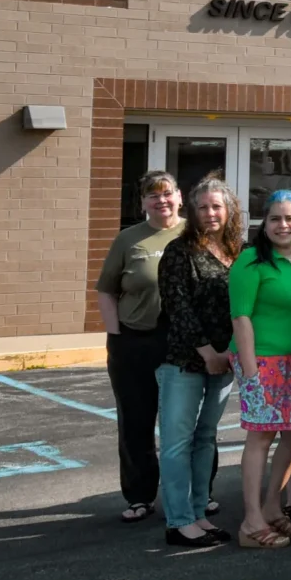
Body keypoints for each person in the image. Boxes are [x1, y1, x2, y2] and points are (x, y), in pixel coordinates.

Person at [154, 177, 242, 546]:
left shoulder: (239, 251)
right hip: (185, 361)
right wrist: (208, 352)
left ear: (230, 210)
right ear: (192, 211)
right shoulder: (180, 251)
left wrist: (228, 354)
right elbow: (179, 307)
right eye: (203, 207)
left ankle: (198, 513)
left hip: (224, 362)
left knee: (206, 438)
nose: (210, 213)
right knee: (177, 442)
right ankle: (178, 521)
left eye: (217, 206)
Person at [96, 170, 185, 524]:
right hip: (135, 339)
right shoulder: (128, 239)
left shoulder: (195, 233)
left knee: (187, 423)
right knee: (136, 421)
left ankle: (200, 493)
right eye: (153, 195)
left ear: (179, 196)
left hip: (183, 342)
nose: (161, 200)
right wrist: (116, 334)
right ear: (143, 202)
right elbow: (106, 289)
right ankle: (139, 495)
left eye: (167, 193)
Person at [227, 189, 291, 548]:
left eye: (290, 218)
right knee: (262, 435)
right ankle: (250, 523)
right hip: (261, 360)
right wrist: (250, 373)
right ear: (264, 223)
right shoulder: (250, 262)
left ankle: (272, 508)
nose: (283, 225)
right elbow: (241, 316)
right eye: (275, 218)